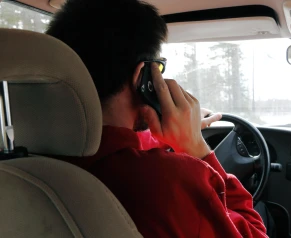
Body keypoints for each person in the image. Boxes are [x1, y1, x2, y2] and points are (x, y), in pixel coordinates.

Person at [46, 0, 268, 237]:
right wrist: (196, 148)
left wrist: (170, 136)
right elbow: (254, 232)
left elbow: (117, 148)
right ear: (143, 76)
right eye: (158, 68)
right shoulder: (168, 181)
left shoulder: (27, 162)